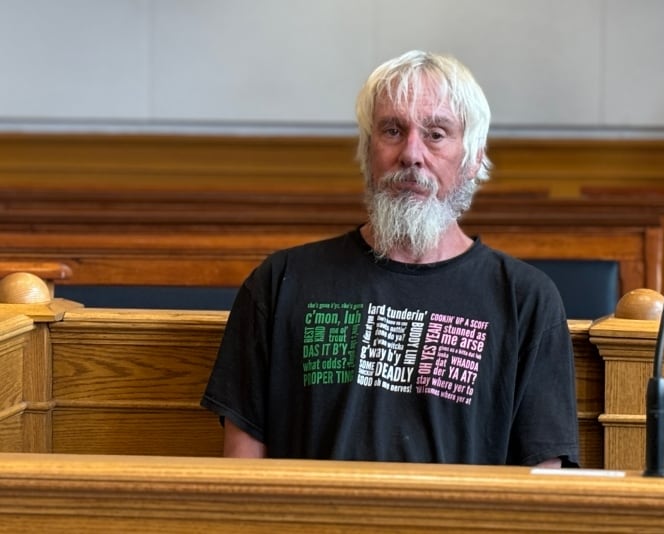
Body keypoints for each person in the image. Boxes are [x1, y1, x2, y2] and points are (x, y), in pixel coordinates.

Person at [201, 50, 580, 467]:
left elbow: (545, 483)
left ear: (473, 158)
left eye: (436, 134)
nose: (411, 154)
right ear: (368, 152)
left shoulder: (526, 300)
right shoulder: (280, 282)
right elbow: (241, 475)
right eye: (393, 130)